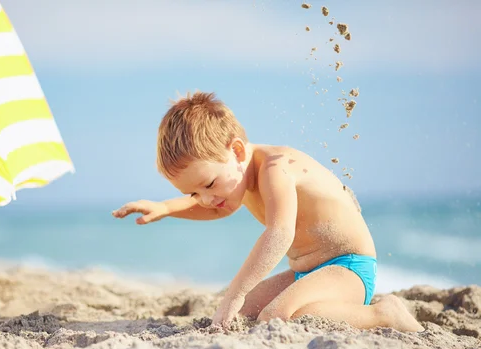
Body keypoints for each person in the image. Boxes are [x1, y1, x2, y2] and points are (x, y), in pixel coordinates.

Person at [112, 91, 424, 333]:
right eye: (193, 193)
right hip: (307, 272)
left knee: (277, 314)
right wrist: (166, 207)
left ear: (235, 151)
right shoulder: (236, 179)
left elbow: (279, 233)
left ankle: (383, 314)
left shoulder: (276, 168)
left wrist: (234, 291)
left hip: (348, 269)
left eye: (208, 184)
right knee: (248, 310)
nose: (204, 199)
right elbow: (216, 210)